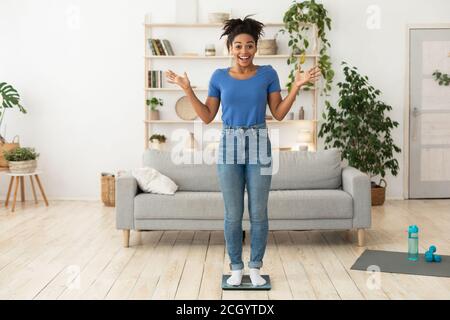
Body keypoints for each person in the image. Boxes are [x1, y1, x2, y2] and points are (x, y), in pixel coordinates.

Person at [165, 14, 321, 286]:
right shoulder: (219, 77)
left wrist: (296, 87)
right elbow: (206, 116)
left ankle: (256, 267)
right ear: (230, 48)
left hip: (260, 141)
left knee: (259, 212)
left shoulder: (268, 75)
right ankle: (236, 267)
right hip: (229, 144)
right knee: (232, 214)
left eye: (249, 45)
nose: (244, 51)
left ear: (255, 47)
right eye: (238, 45)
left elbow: (280, 113)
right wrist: (188, 90)